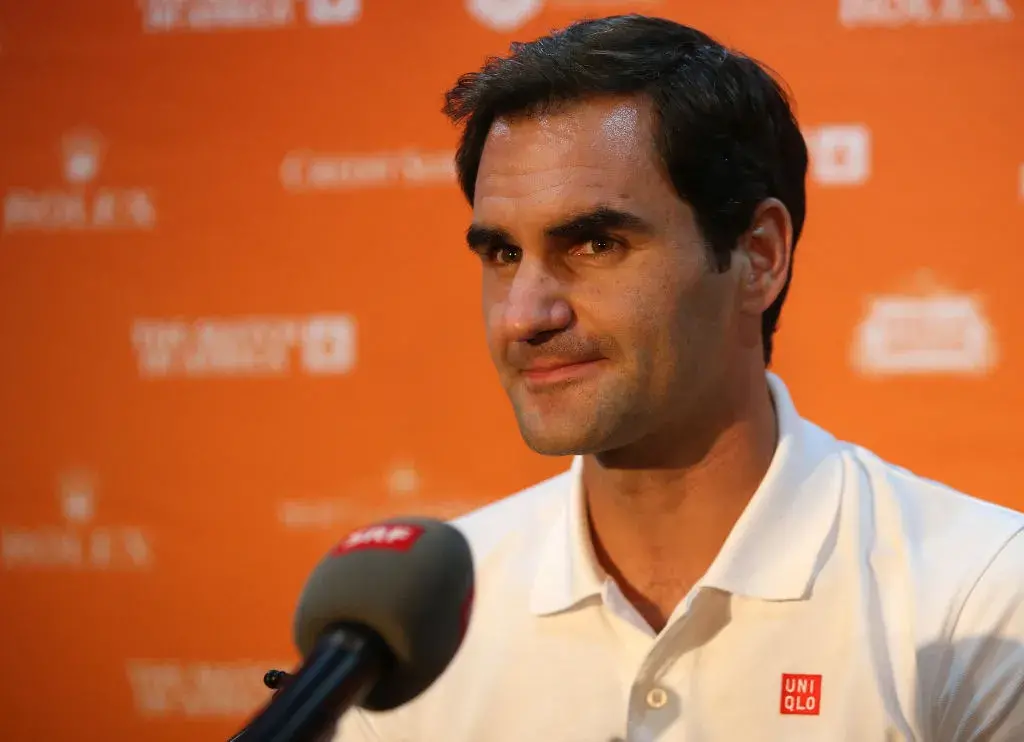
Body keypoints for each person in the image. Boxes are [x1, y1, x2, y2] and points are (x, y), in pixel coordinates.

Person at [335, 14, 1024, 741]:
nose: (523, 316)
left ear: (758, 256)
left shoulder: (981, 598)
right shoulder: (414, 630)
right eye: (504, 255)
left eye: (595, 244)